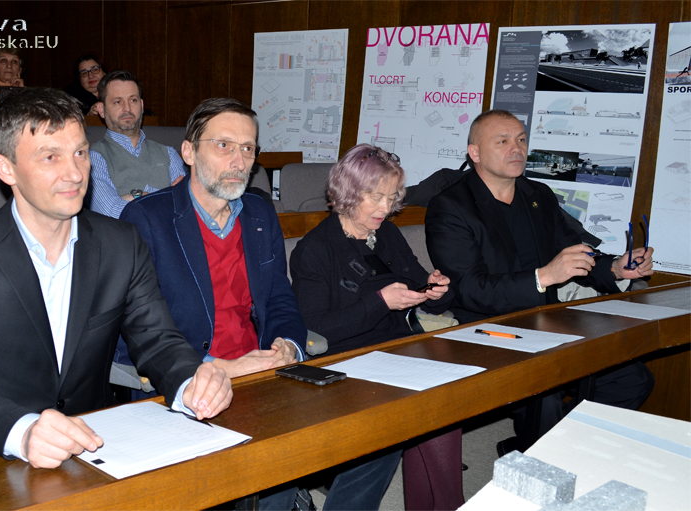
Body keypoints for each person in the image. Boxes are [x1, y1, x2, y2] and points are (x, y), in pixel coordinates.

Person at [0, 87, 232, 470]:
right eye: (50, 157)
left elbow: (157, 339)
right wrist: (23, 432)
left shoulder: (121, 243)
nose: (74, 173)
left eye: (80, 153)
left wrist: (190, 383)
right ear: (5, 169)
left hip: (97, 443)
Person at [120, 99, 397, 511]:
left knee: (382, 427)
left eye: (248, 148)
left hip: (265, 373)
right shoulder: (146, 218)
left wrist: (288, 344)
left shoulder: (259, 212)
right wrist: (219, 367)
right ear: (189, 152)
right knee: (273, 465)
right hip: (196, 377)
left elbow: (280, 297)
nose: (239, 161)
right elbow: (142, 328)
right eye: (224, 146)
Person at [425, 109, 654, 452]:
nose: (516, 148)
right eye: (502, 141)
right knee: (545, 391)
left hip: (546, 319)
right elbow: (471, 289)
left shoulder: (539, 194)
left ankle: (547, 452)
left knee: (631, 380)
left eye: (521, 140)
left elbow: (575, 251)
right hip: (485, 327)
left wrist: (617, 269)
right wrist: (544, 276)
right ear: (475, 153)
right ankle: (538, 459)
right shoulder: (450, 207)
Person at [289, 144, 463, 511]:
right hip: (344, 360)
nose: (386, 208)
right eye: (376, 197)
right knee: (401, 417)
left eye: (392, 197)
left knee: (445, 400)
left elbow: (421, 289)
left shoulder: (388, 235)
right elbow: (315, 329)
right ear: (347, 192)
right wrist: (380, 302)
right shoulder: (315, 249)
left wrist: (436, 290)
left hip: (398, 350)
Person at [89, 70, 186, 218]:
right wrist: (167, 196)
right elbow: (110, 212)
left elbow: (186, 206)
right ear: (101, 110)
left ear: (141, 105)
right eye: (118, 102)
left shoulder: (169, 153)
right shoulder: (93, 157)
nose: (127, 108)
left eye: (133, 100)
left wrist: (134, 197)